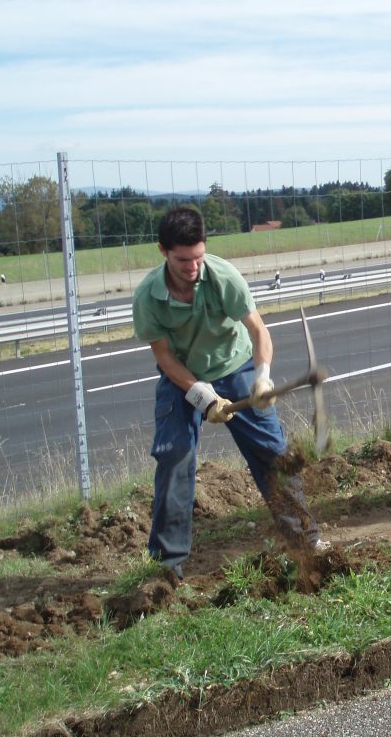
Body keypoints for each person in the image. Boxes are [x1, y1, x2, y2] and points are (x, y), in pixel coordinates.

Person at [132, 207, 326, 579]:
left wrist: (263, 377)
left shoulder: (222, 277)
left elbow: (259, 332)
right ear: (163, 252)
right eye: (182, 260)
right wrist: (201, 397)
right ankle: (167, 563)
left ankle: (304, 539)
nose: (192, 267)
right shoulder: (148, 297)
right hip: (183, 376)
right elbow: (164, 357)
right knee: (174, 454)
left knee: (272, 452)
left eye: (198, 257)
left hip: (235, 367)